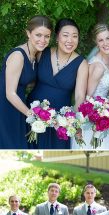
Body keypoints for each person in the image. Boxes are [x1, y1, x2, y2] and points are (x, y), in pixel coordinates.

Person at [28, 18, 88, 149]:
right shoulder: (42, 53)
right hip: (33, 114)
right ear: (57, 37)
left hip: (60, 121)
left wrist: (75, 123)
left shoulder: (81, 63)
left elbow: (79, 97)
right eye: (65, 35)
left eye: (74, 36)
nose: (70, 40)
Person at [0, 15, 52, 149]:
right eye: (38, 35)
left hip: (18, 105)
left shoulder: (36, 54)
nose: (43, 40)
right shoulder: (18, 55)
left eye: (47, 36)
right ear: (28, 33)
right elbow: (10, 93)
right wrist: (33, 115)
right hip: (6, 107)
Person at [71, 23, 109, 150]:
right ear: (96, 43)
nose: (105, 43)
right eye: (100, 40)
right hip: (93, 118)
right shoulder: (97, 67)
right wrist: (97, 116)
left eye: (108, 38)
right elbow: (87, 99)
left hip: (106, 113)